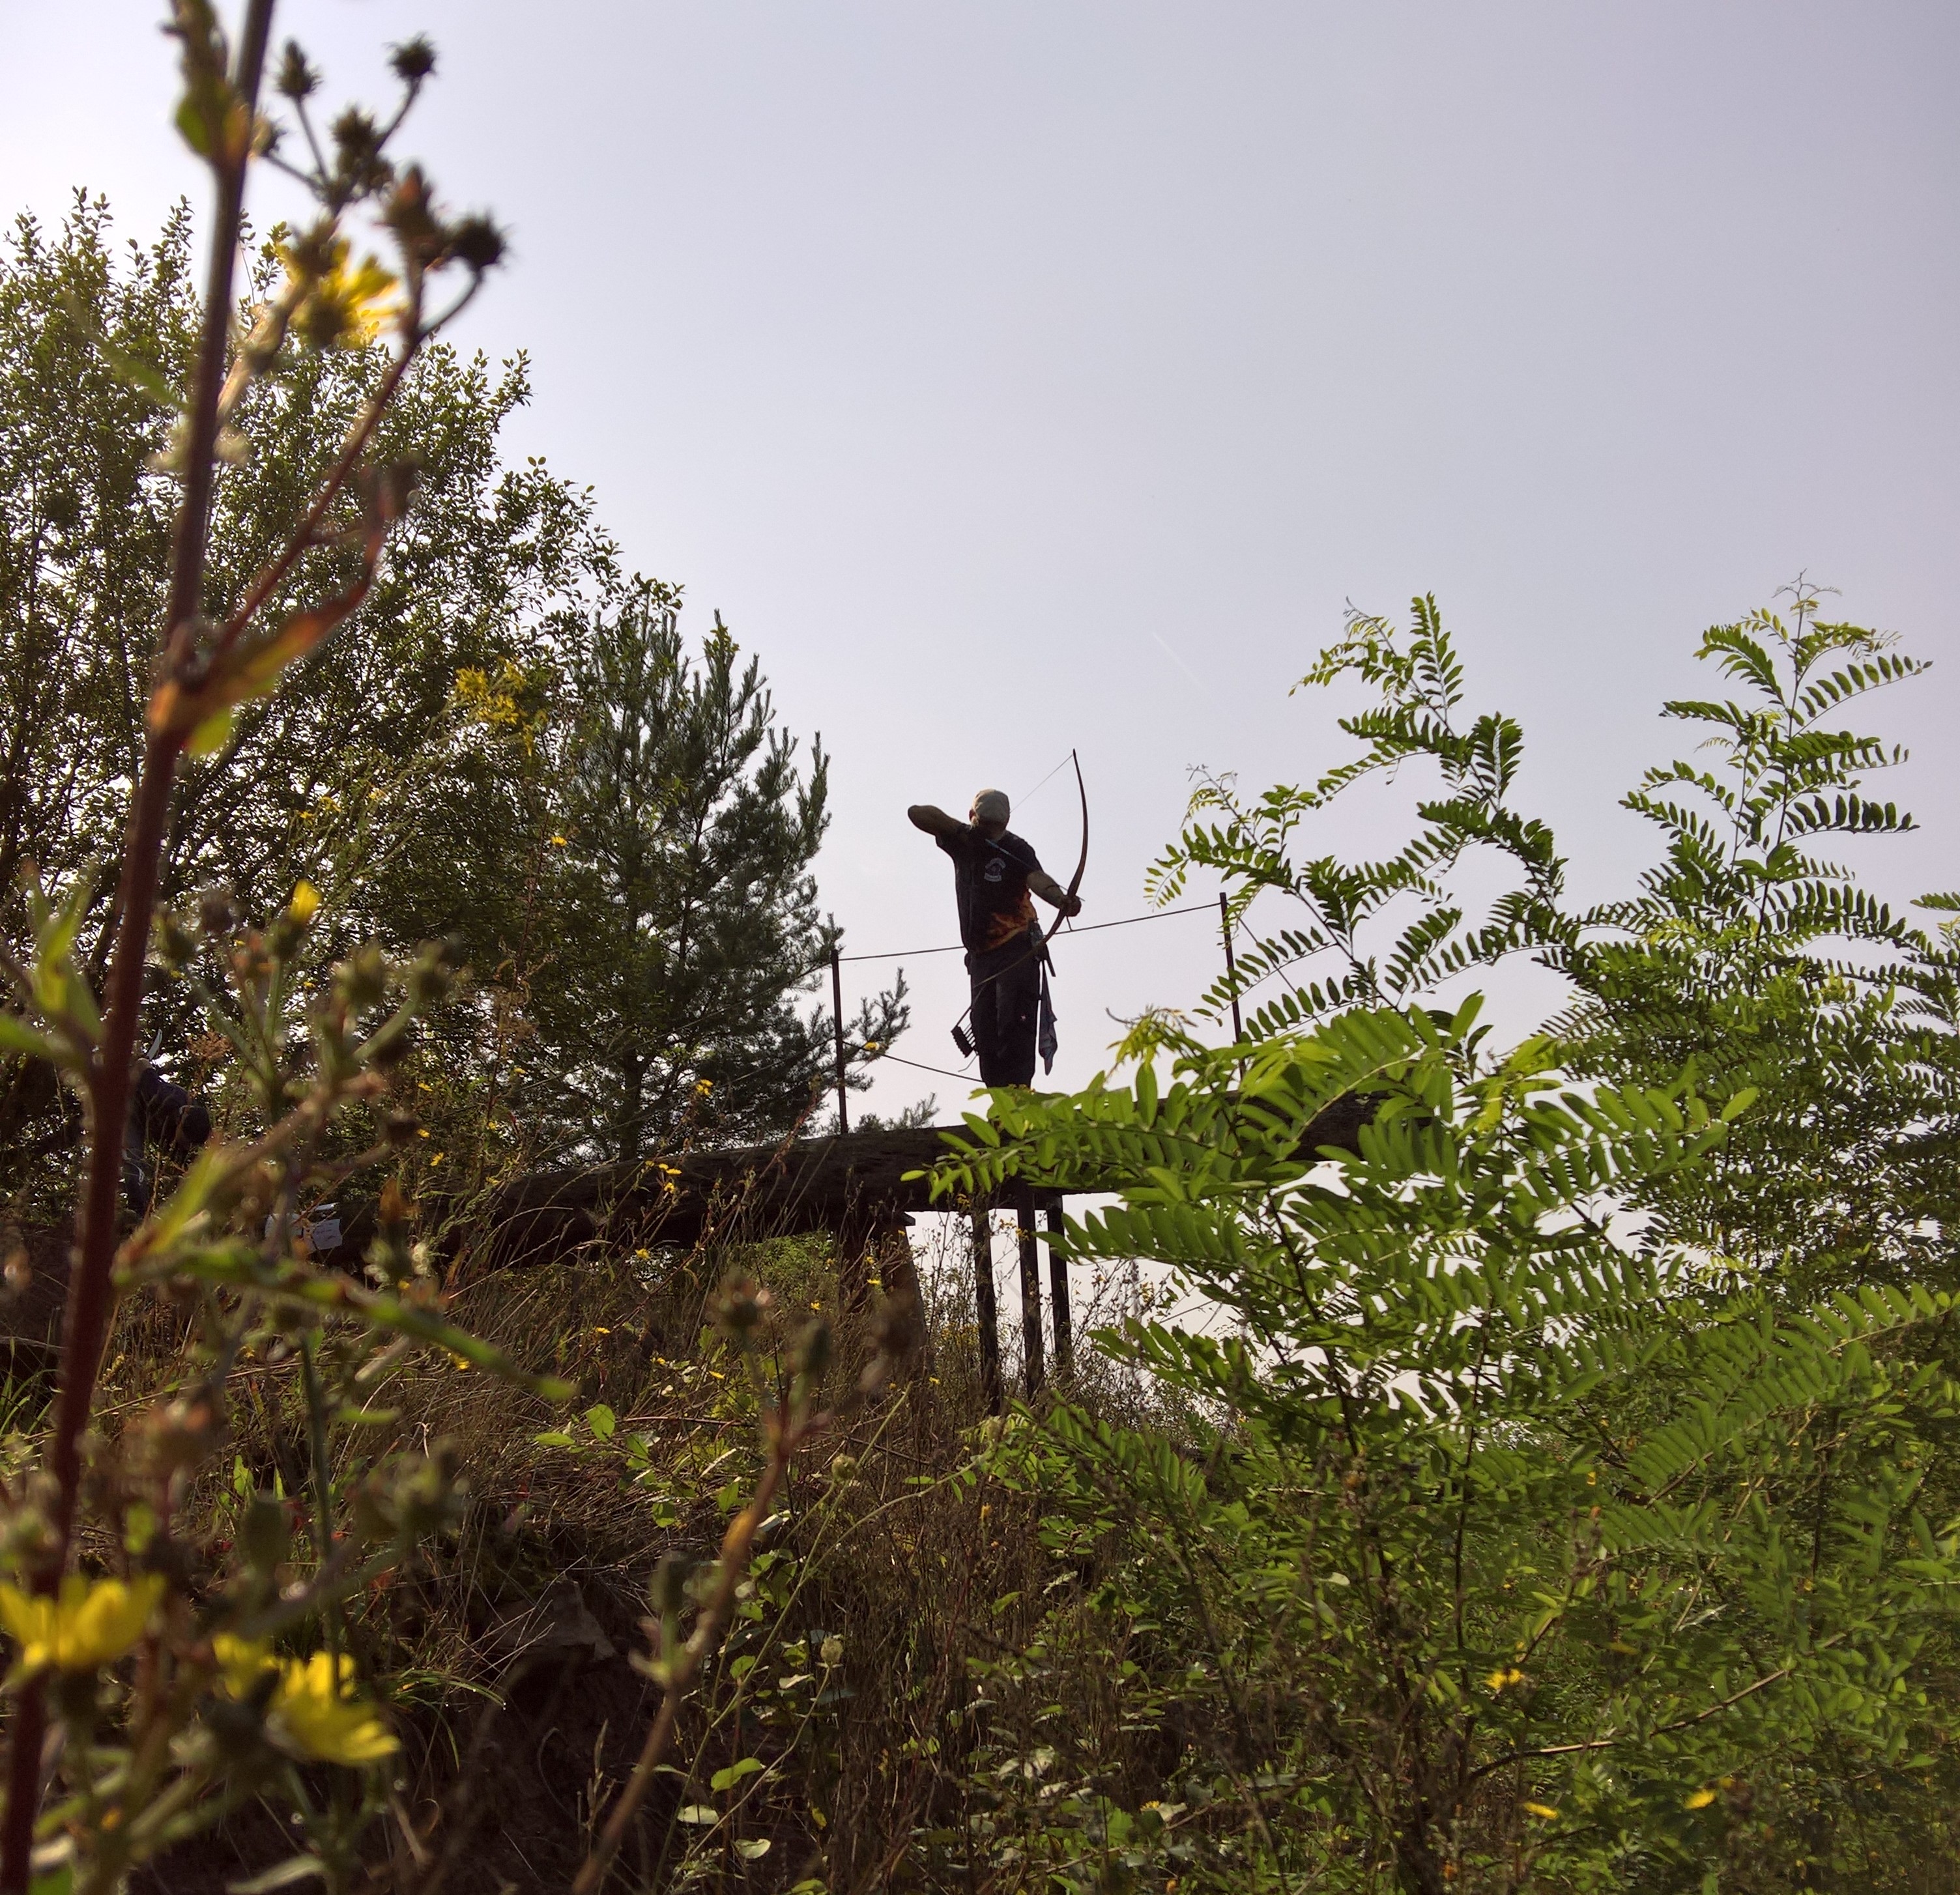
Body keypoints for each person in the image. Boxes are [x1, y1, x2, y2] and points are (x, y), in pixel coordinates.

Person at [908, 788, 1082, 1087]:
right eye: (985, 823)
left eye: (995, 826)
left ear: (1006, 822)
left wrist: (1061, 900)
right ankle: (998, 1101)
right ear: (973, 817)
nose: (990, 830)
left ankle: (1020, 1096)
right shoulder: (965, 842)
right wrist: (964, 831)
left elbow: (1037, 879)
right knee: (984, 1030)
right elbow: (917, 814)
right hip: (981, 957)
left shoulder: (1017, 849)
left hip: (1016, 949)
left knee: (1015, 1025)